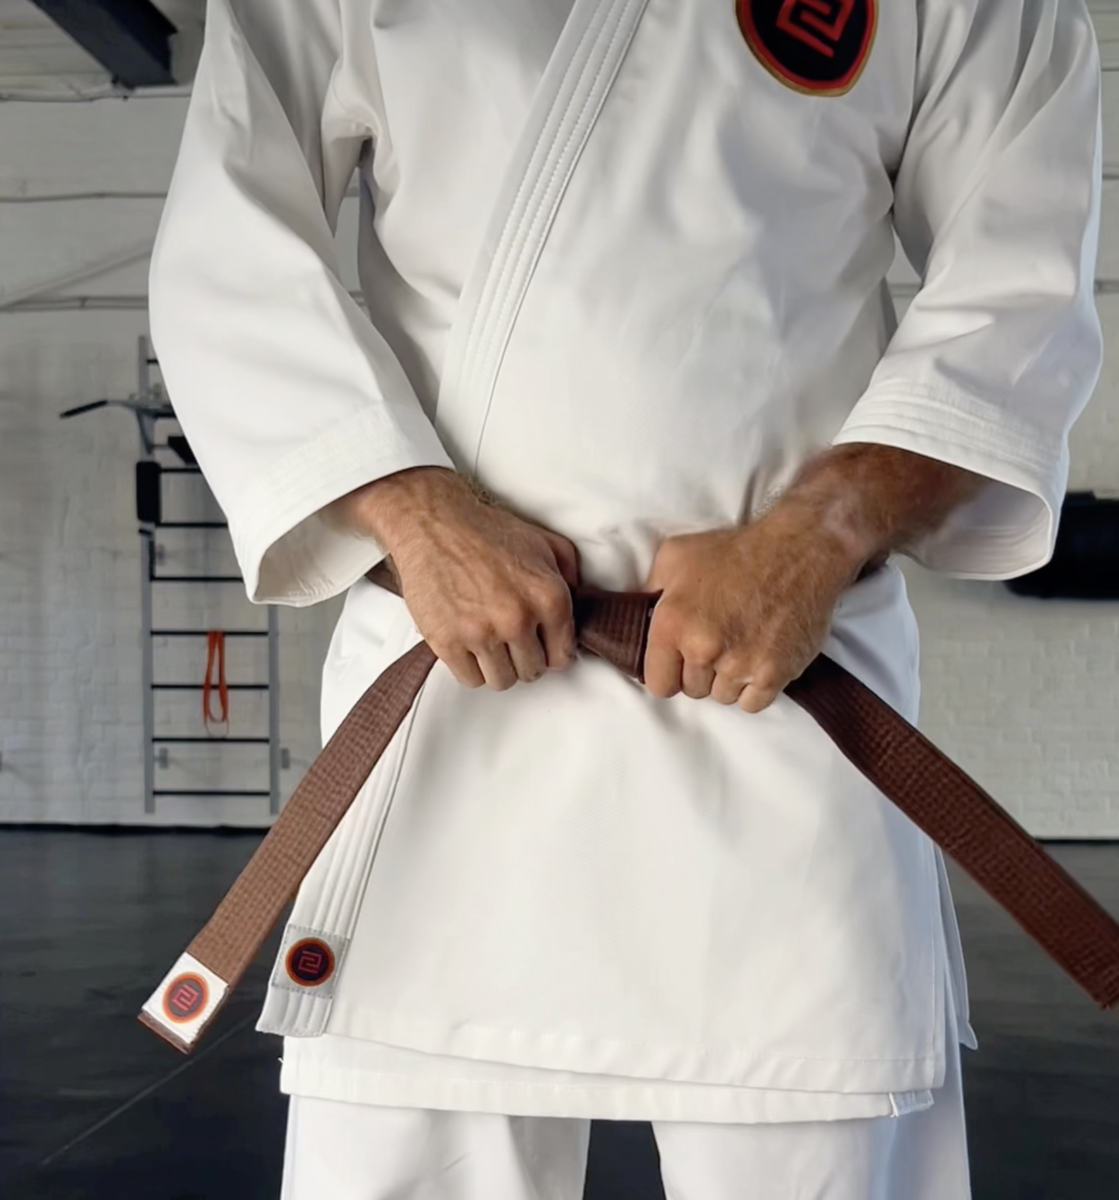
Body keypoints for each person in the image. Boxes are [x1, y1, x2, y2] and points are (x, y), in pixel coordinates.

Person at [148, 0, 1103, 1196]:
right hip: (458, 693)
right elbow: (230, 241)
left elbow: (1020, 284)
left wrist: (823, 531)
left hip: (778, 694)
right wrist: (412, 511)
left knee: (815, 1138)